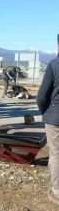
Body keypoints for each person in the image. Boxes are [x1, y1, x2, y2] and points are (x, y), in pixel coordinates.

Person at [37, 55, 59, 205]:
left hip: (55, 117)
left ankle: (57, 192)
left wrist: (44, 110)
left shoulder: (54, 64)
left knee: (56, 154)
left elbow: (42, 96)